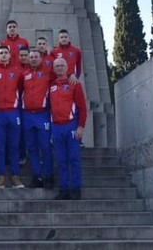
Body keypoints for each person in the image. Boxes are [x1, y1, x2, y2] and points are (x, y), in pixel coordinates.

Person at [49, 58, 87, 200]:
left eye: (62, 66)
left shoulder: (74, 84)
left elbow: (82, 108)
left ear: (67, 67)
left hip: (71, 125)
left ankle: (76, 189)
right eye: (57, 66)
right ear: (53, 68)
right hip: (56, 127)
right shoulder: (51, 85)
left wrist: (81, 126)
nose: (59, 68)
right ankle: (63, 189)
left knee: (74, 159)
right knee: (61, 160)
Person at [0, 45, 24, 189]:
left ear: (10, 55)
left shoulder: (17, 72)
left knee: (14, 145)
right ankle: (0, 177)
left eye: (5, 53)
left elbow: (22, 90)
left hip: (13, 112)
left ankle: (15, 176)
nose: (3, 55)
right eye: (1, 53)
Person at [22, 49, 54, 189]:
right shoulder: (24, 74)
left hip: (43, 114)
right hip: (27, 115)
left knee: (45, 147)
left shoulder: (48, 73)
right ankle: (37, 176)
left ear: (42, 58)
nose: (33, 59)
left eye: (36, 57)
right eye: (31, 57)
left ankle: (48, 176)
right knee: (32, 148)